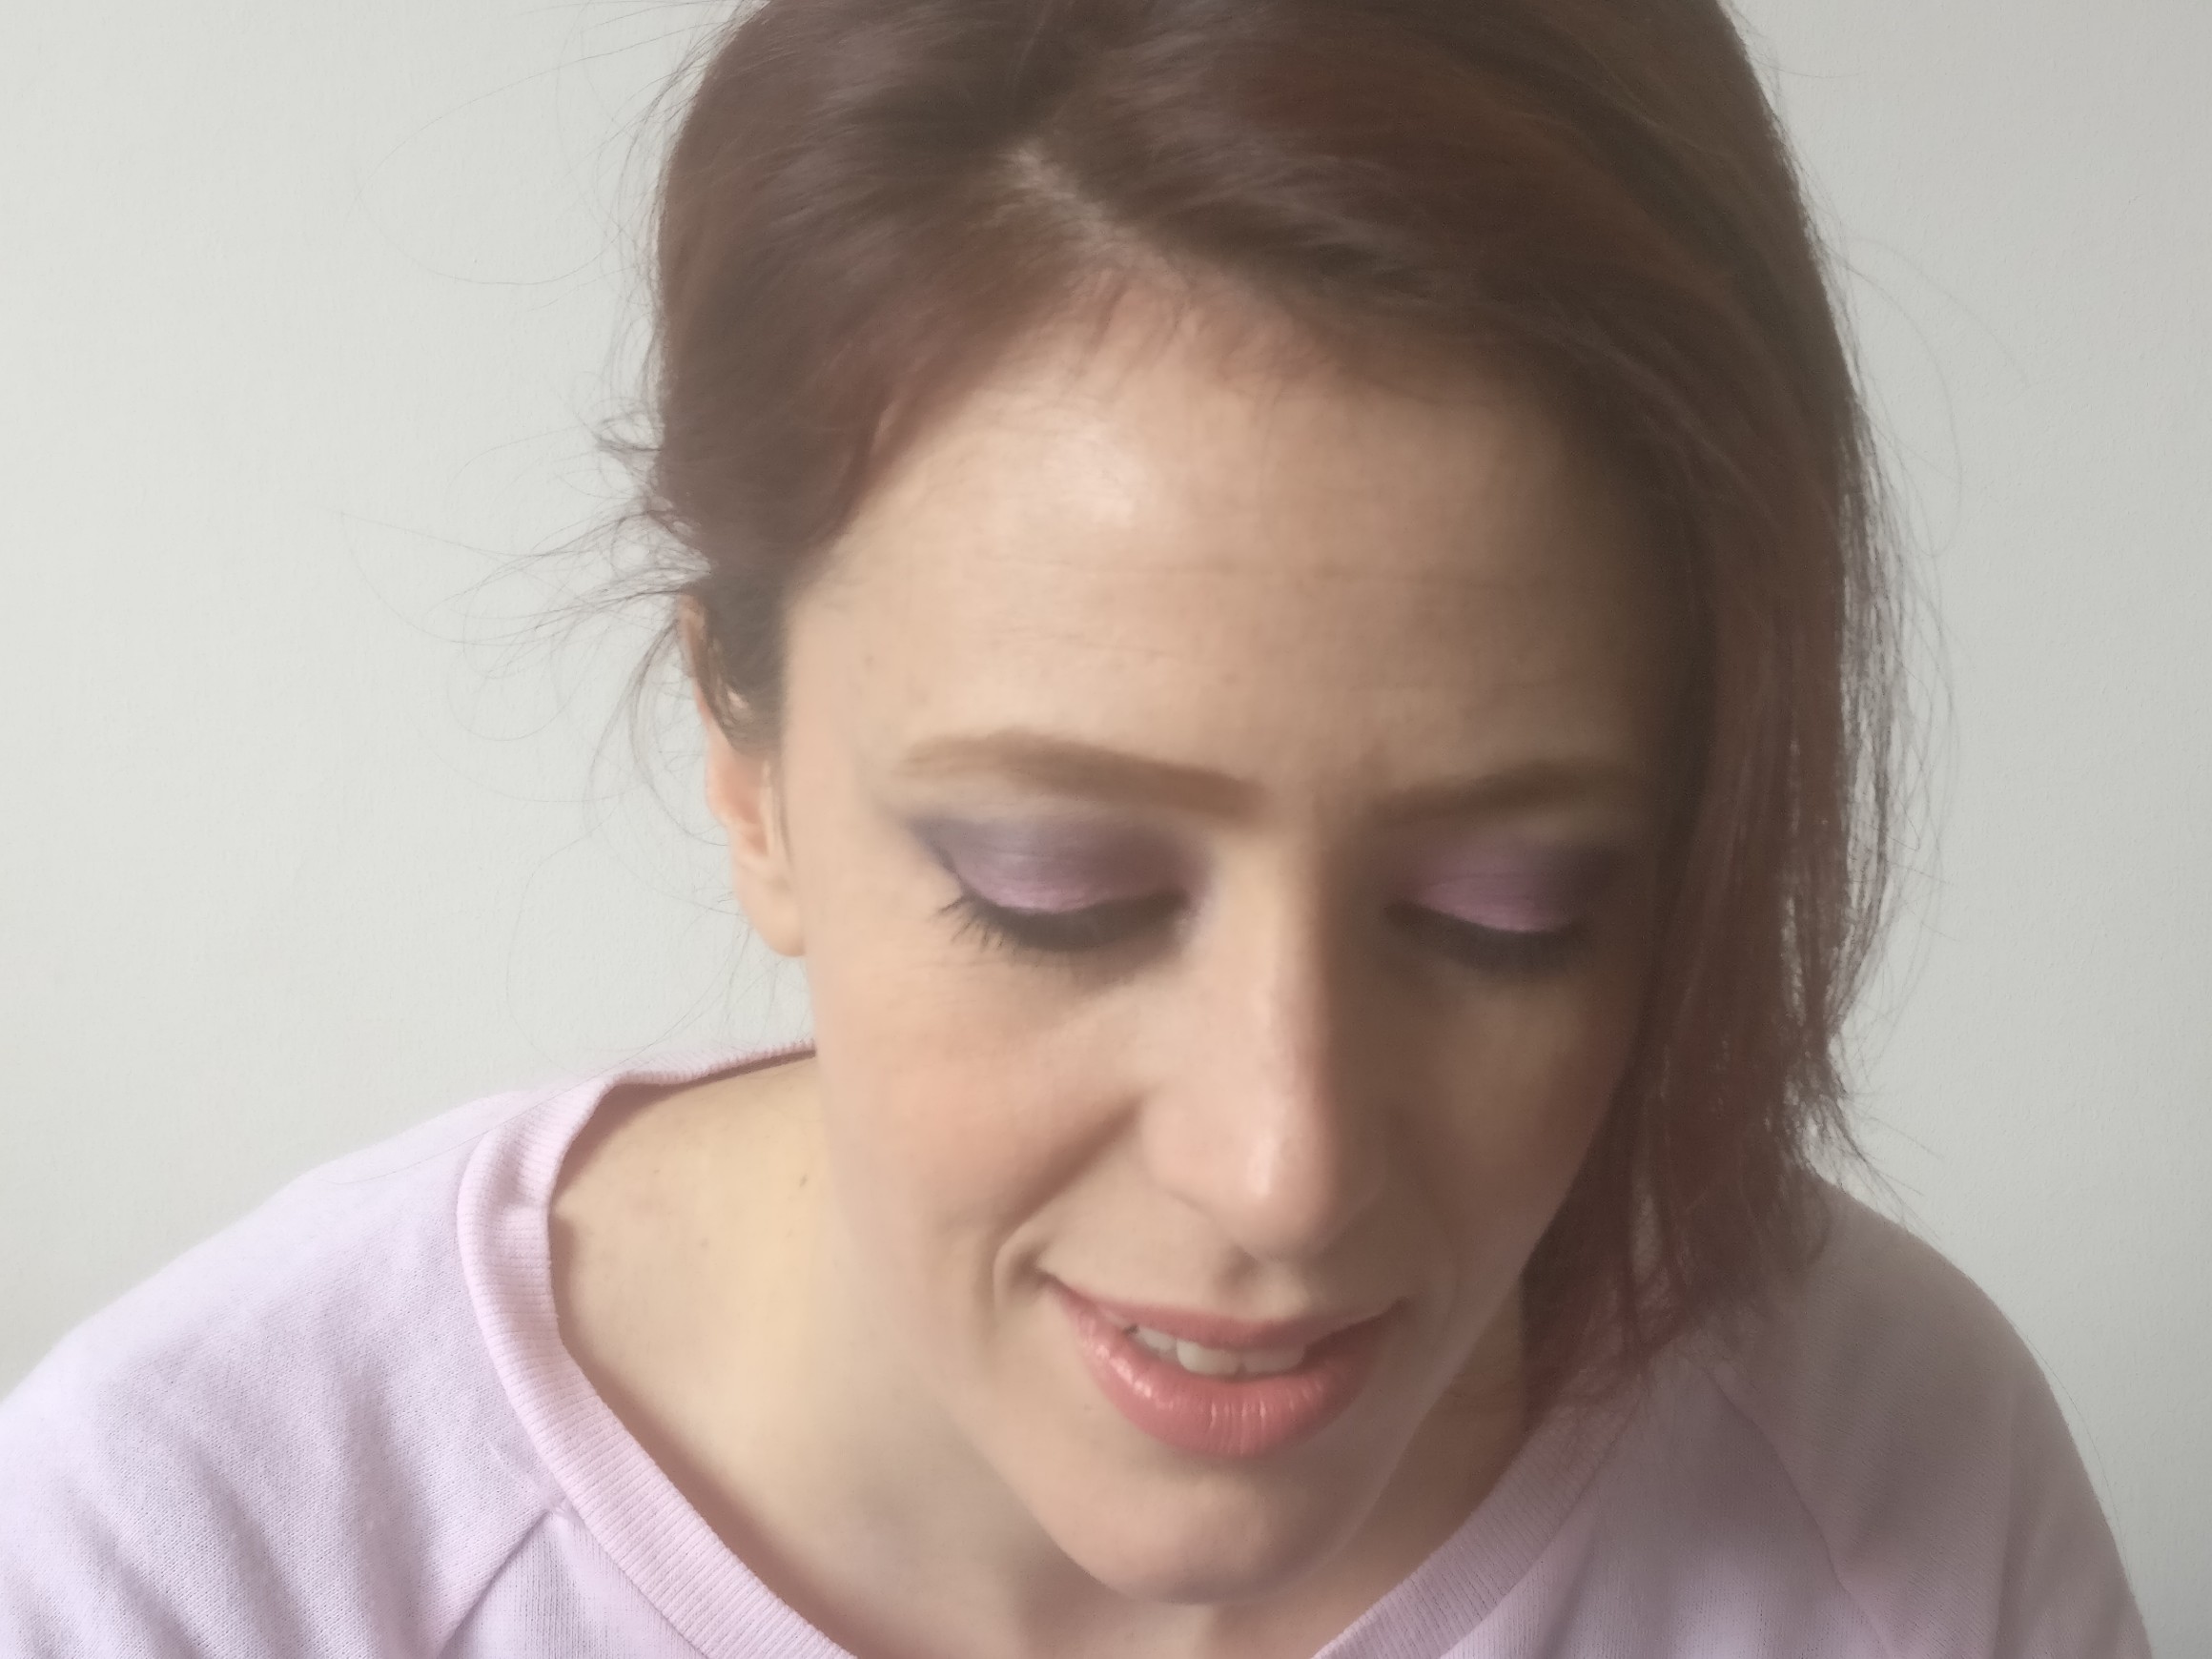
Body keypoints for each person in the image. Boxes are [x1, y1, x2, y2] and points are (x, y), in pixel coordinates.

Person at [0, 0, 2153, 1653]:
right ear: (744, 758)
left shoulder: (1886, 1497)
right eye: (1059, 891)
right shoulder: (196, 1561)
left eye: (1510, 911)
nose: (1282, 1169)